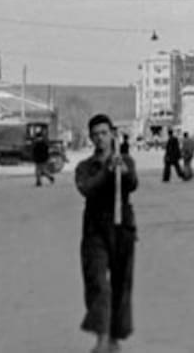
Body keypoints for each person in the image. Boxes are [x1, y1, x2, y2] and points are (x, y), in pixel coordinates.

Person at [75, 113, 137, 353]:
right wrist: (106, 172)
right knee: (98, 283)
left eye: (104, 133)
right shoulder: (84, 167)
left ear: (112, 134)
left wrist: (122, 170)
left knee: (122, 286)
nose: (100, 138)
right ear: (91, 138)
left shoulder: (126, 161)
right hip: (95, 231)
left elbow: (132, 184)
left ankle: (114, 339)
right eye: (96, 135)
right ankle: (102, 337)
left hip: (122, 229)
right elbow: (87, 189)